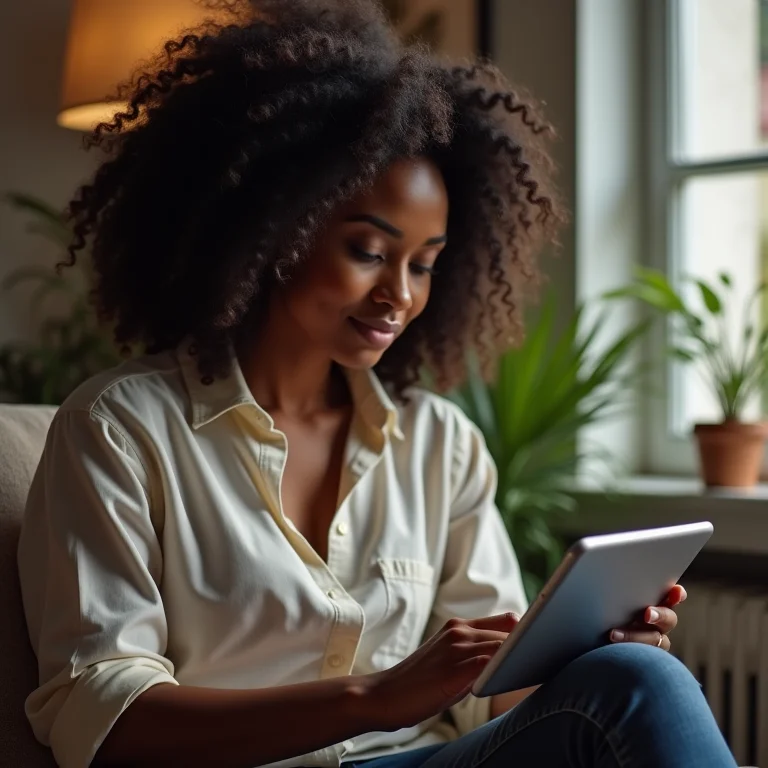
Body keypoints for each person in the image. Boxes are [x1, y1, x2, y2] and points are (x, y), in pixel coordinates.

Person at [18, 1, 736, 767]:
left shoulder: (440, 446)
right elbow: (102, 718)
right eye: (369, 250)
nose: (401, 294)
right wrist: (376, 696)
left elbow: (497, 699)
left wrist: (588, 656)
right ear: (276, 230)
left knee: (634, 676)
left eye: (424, 264)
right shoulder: (120, 430)